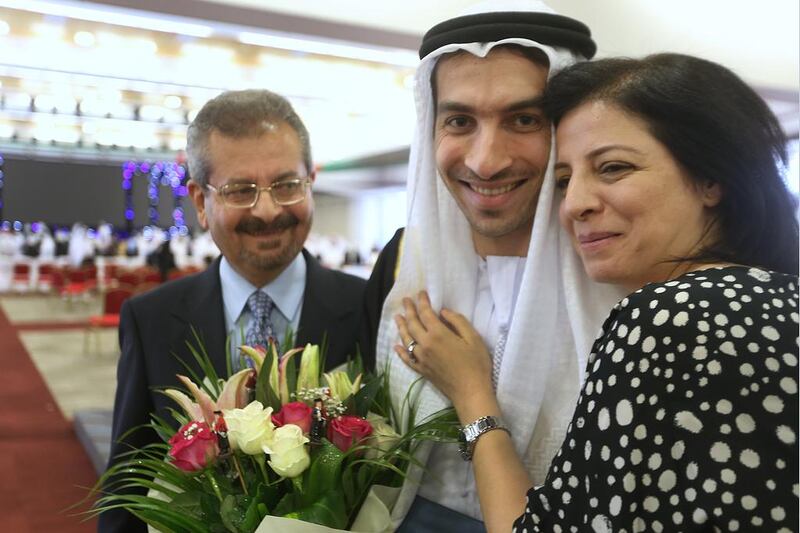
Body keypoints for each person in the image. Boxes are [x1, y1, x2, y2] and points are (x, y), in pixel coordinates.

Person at [394, 53, 799, 532]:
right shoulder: (777, 298)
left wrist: (472, 394)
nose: (576, 205)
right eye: (564, 181)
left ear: (710, 178)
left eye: (612, 168)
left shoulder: (669, 318)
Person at [366, 1, 625, 531]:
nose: (486, 160)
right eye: (460, 120)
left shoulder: (620, 269)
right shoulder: (401, 260)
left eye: (524, 119)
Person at [99, 89, 366, 533]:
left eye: (286, 185)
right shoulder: (151, 320)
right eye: (241, 190)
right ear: (201, 203)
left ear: (311, 183)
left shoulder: (366, 307)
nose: (267, 210)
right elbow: (130, 481)